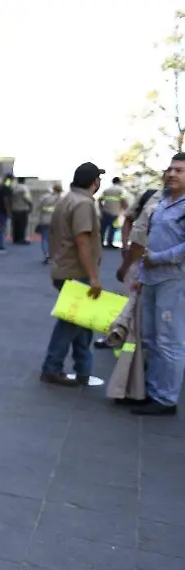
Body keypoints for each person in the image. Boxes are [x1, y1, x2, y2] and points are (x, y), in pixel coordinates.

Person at [40, 162, 105, 387]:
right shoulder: (83, 203)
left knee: (82, 322)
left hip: (64, 268)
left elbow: (55, 234)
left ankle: (83, 369)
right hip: (76, 271)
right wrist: (93, 277)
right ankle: (52, 367)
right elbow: (82, 240)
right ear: (94, 181)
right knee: (71, 322)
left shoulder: (67, 199)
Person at [131, 152, 185, 415]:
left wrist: (158, 259)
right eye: (170, 169)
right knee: (151, 338)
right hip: (151, 279)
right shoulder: (163, 202)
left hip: (173, 282)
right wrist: (141, 274)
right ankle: (152, 391)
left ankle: (166, 399)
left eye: (179, 171)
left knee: (169, 342)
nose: (172, 174)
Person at [35, 182, 63, 264]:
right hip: (56, 221)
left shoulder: (44, 198)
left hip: (45, 220)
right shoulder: (62, 199)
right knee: (56, 239)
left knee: (44, 238)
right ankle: (54, 256)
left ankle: (46, 255)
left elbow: (38, 208)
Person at [99, 177, 128, 249]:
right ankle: (110, 243)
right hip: (115, 212)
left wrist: (101, 208)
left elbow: (100, 200)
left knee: (103, 228)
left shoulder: (107, 190)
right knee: (113, 228)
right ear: (119, 182)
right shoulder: (120, 190)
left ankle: (100, 242)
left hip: (105, 211)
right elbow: (123, 201)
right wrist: (126, 210)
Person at [11, 177, 33, 244]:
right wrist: (31, 206)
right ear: (24, 181)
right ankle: (21, 238)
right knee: (22, 225)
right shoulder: (25, 188)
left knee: (15, 224)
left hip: (14, 209)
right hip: (23, 209)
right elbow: (28, 198)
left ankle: (15, 238)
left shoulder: (14, 188)